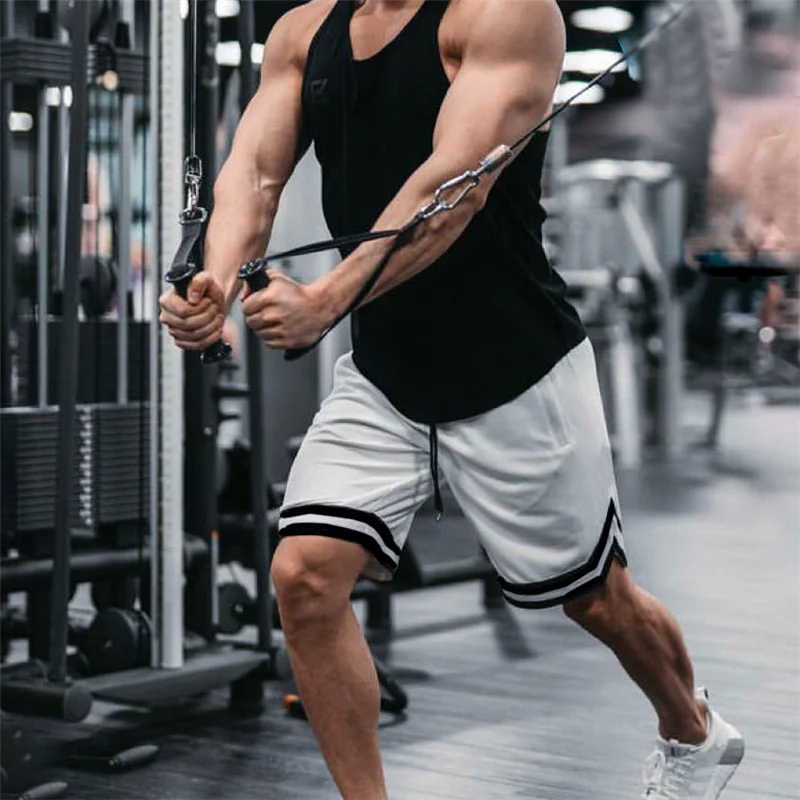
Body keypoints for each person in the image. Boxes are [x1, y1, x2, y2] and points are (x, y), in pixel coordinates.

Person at [159, 1, 745, 797]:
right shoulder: (303, 30)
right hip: (386, 374)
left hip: (515, 368)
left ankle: (693, 731)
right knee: (304, 578)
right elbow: (254, 176)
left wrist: (326, 299)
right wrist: (214, 283)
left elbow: (451, 189)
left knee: (598, 601)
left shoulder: (506, 14)